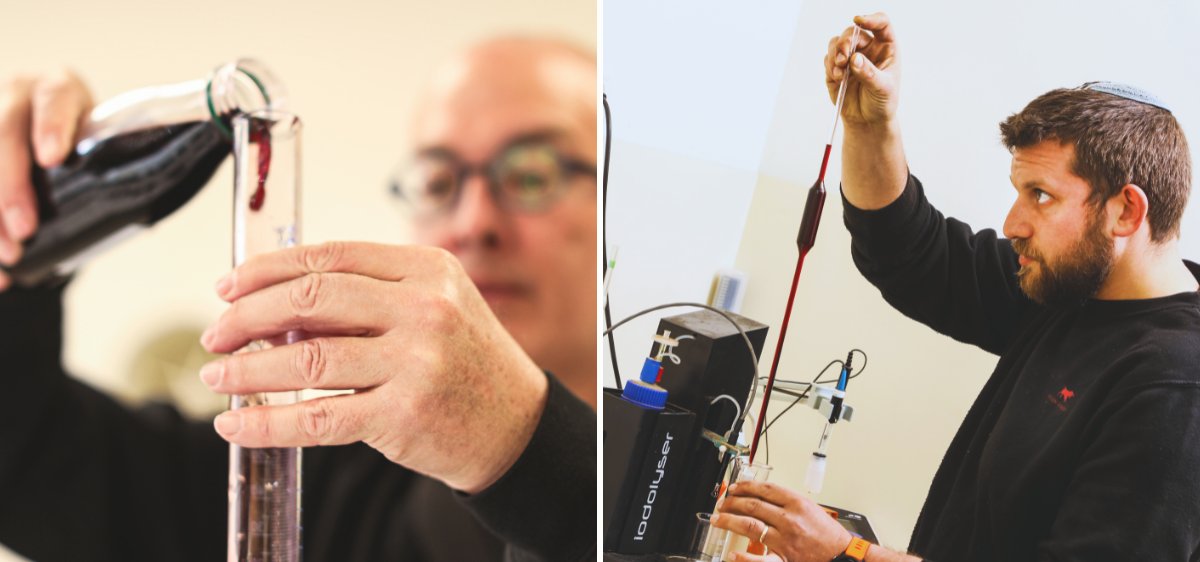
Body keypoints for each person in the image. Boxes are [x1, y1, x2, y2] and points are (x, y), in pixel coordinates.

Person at [0, 37, 596, 562]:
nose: (474, 222)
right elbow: (28, 456)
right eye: (439, 180)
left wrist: (527, 450)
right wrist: (26, 233)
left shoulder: (686, 488)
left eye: (532, 174)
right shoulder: (314, 494)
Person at [711, 13, 1200, 562]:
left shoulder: (1175, 388)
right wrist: (870, 125)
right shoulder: (1070, 288)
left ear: (1126, 211)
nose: (1014, 222)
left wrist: (847, 554)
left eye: (1041, 194)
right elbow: (912, 253)